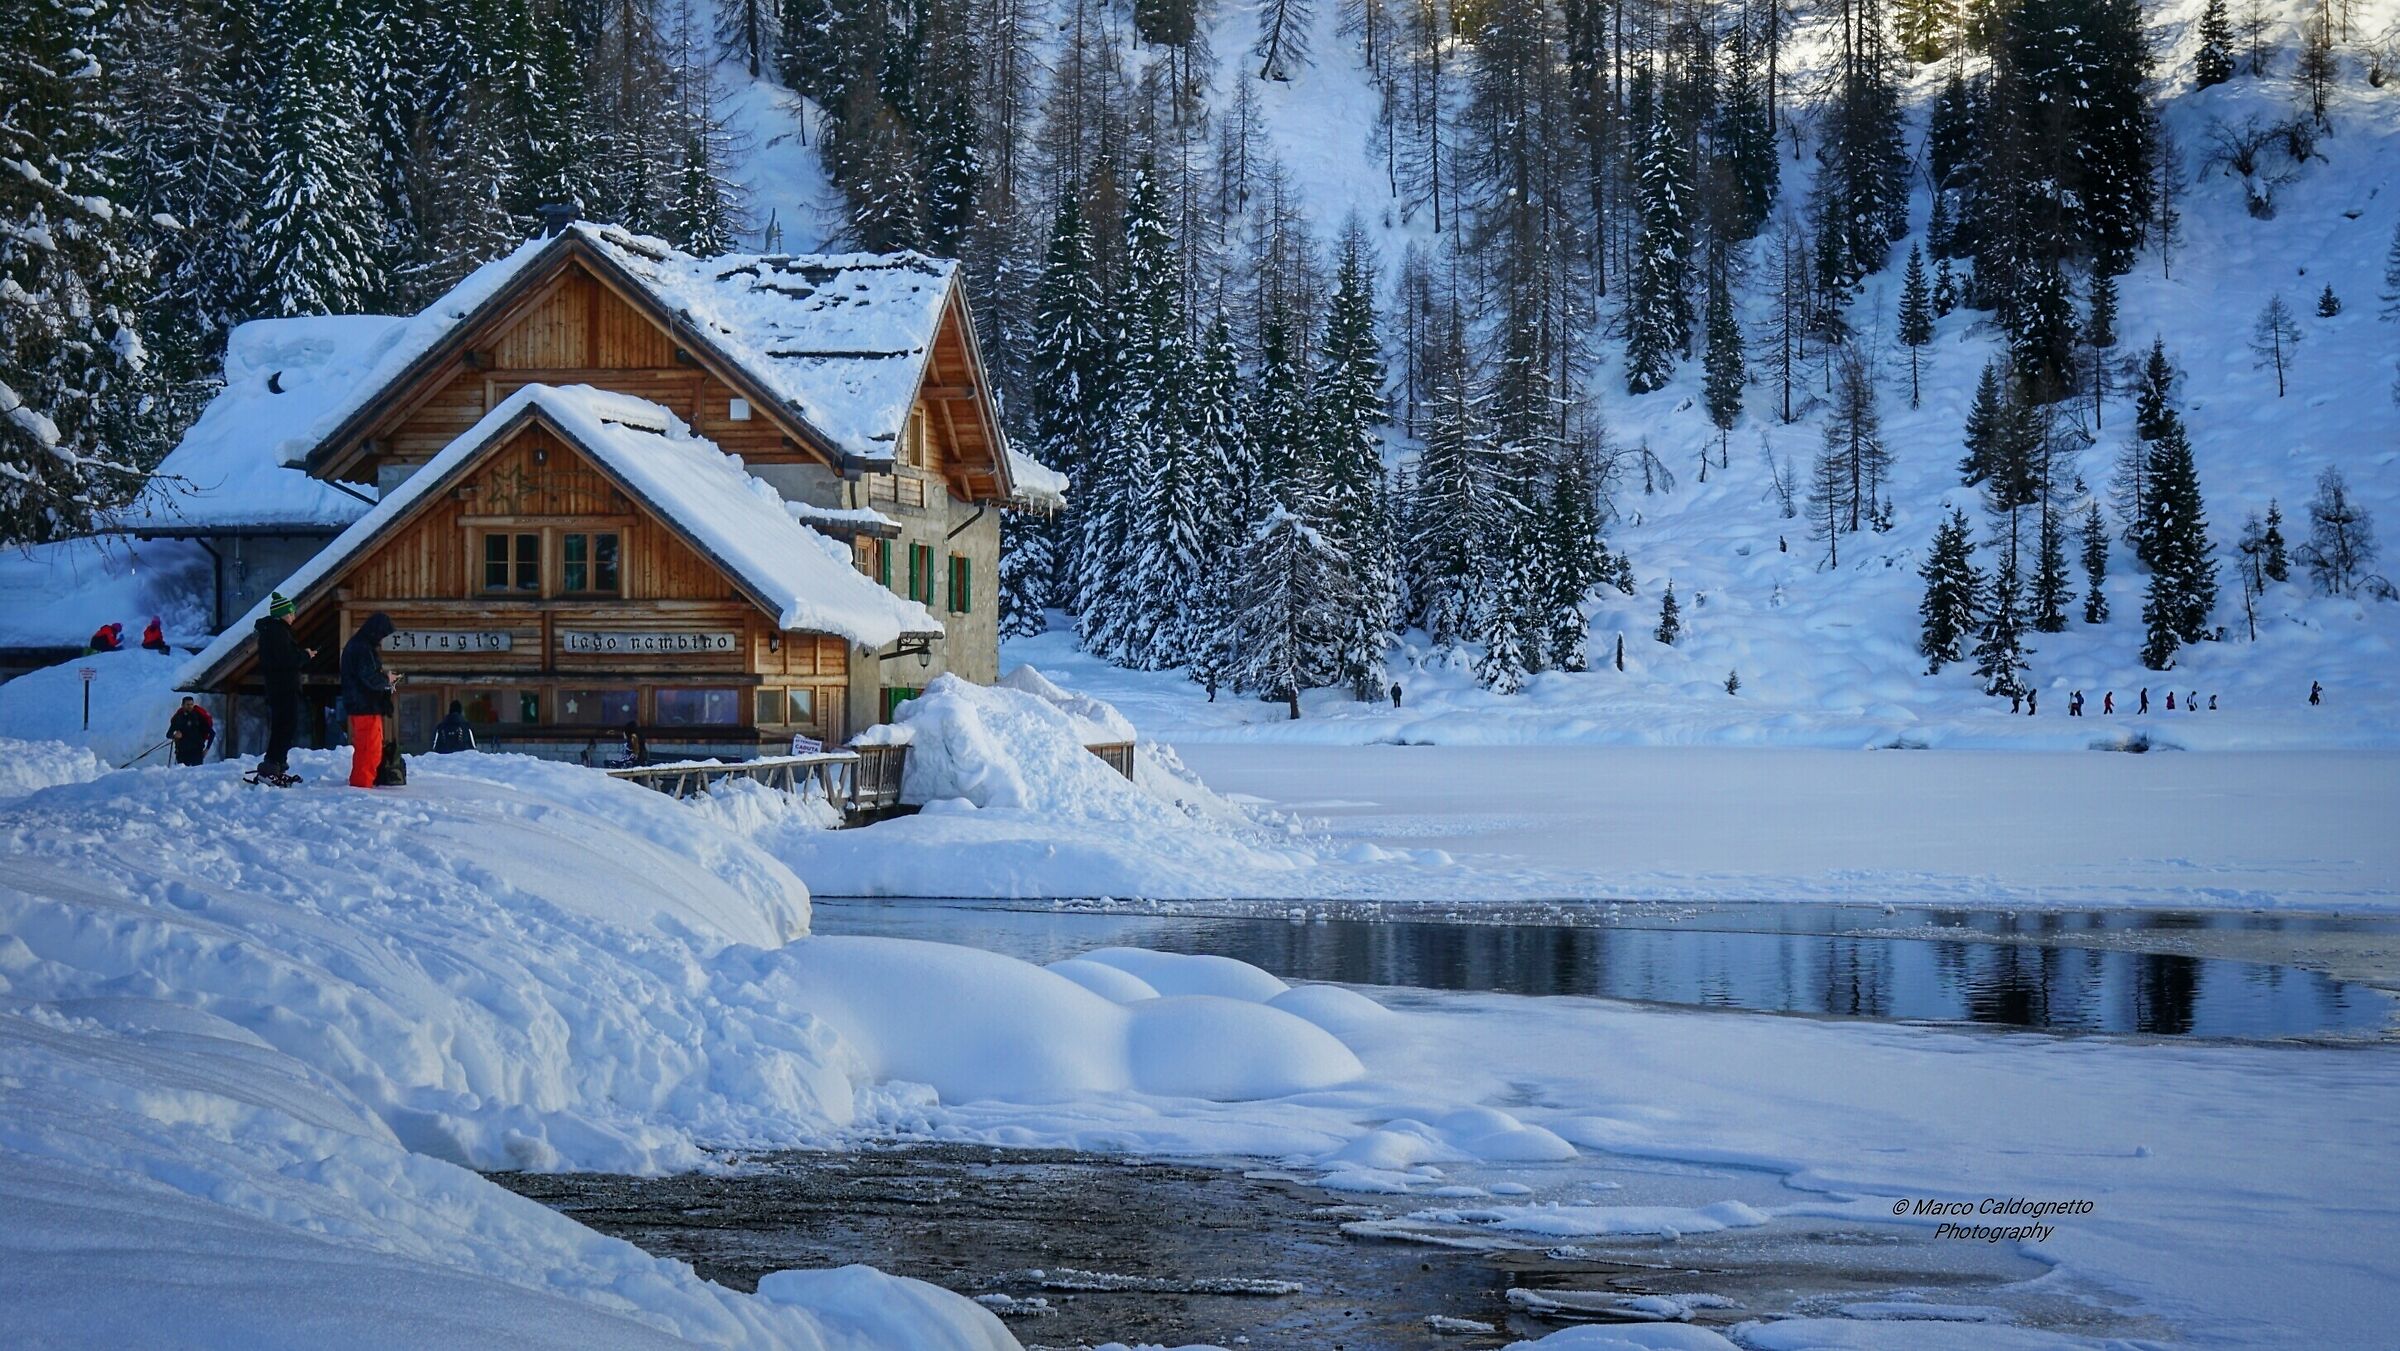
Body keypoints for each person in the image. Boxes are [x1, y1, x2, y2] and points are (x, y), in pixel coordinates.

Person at [247, 594, 311, 787]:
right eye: (291, 613)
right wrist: (304, 655)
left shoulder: (273, 631)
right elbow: (286, 659)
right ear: (283, 614)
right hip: (283, 686)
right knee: (284, 725)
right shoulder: (278, 632)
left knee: (285, 725)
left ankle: (277, 765)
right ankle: (272, 765)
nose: (293, 616)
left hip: (279, 686)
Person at [341, 612, 400, 788]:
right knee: (370, 750)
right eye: (382, 634)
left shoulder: (359, 645)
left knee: (366, 748)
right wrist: (386, 680)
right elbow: (369, 678)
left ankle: (362, 782)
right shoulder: (362, 648)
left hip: (363, 705)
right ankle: (362, 786)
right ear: (376, 631)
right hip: (364, 706)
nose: (382, 639)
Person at [168, 696, 214, 766]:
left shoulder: (199, 717)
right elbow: (168, 734)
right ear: (182, 705)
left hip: (196, 751)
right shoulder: (177, 717)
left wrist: (207, 749)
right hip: (181, 752)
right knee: (182, 774)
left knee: (196, 774)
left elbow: (212, 733)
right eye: (187, 705)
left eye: (191, 704)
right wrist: (174, 735)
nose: (190, 706)